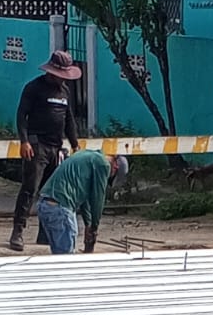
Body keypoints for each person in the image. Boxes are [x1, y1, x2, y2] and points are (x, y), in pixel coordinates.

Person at [10, 50, 81, 251]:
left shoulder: (65, 92)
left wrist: (75, 144)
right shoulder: (34, 88)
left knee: (51, 193)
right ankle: (18, 231)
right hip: (37, 145)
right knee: (30, 188)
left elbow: (69, 121)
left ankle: (45, 233)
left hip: (56, 147)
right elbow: (21, 115)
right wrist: (24, 141)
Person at [36, 148, 127, 254]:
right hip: (60, 207)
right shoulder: (103, 164)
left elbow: (84, 198)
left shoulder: (87, 156)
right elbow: (98, 198)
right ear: (115, 167)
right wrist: (94, 227)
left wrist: (88, 224)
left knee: (59, 255)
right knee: (66, 258)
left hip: (46, 205)